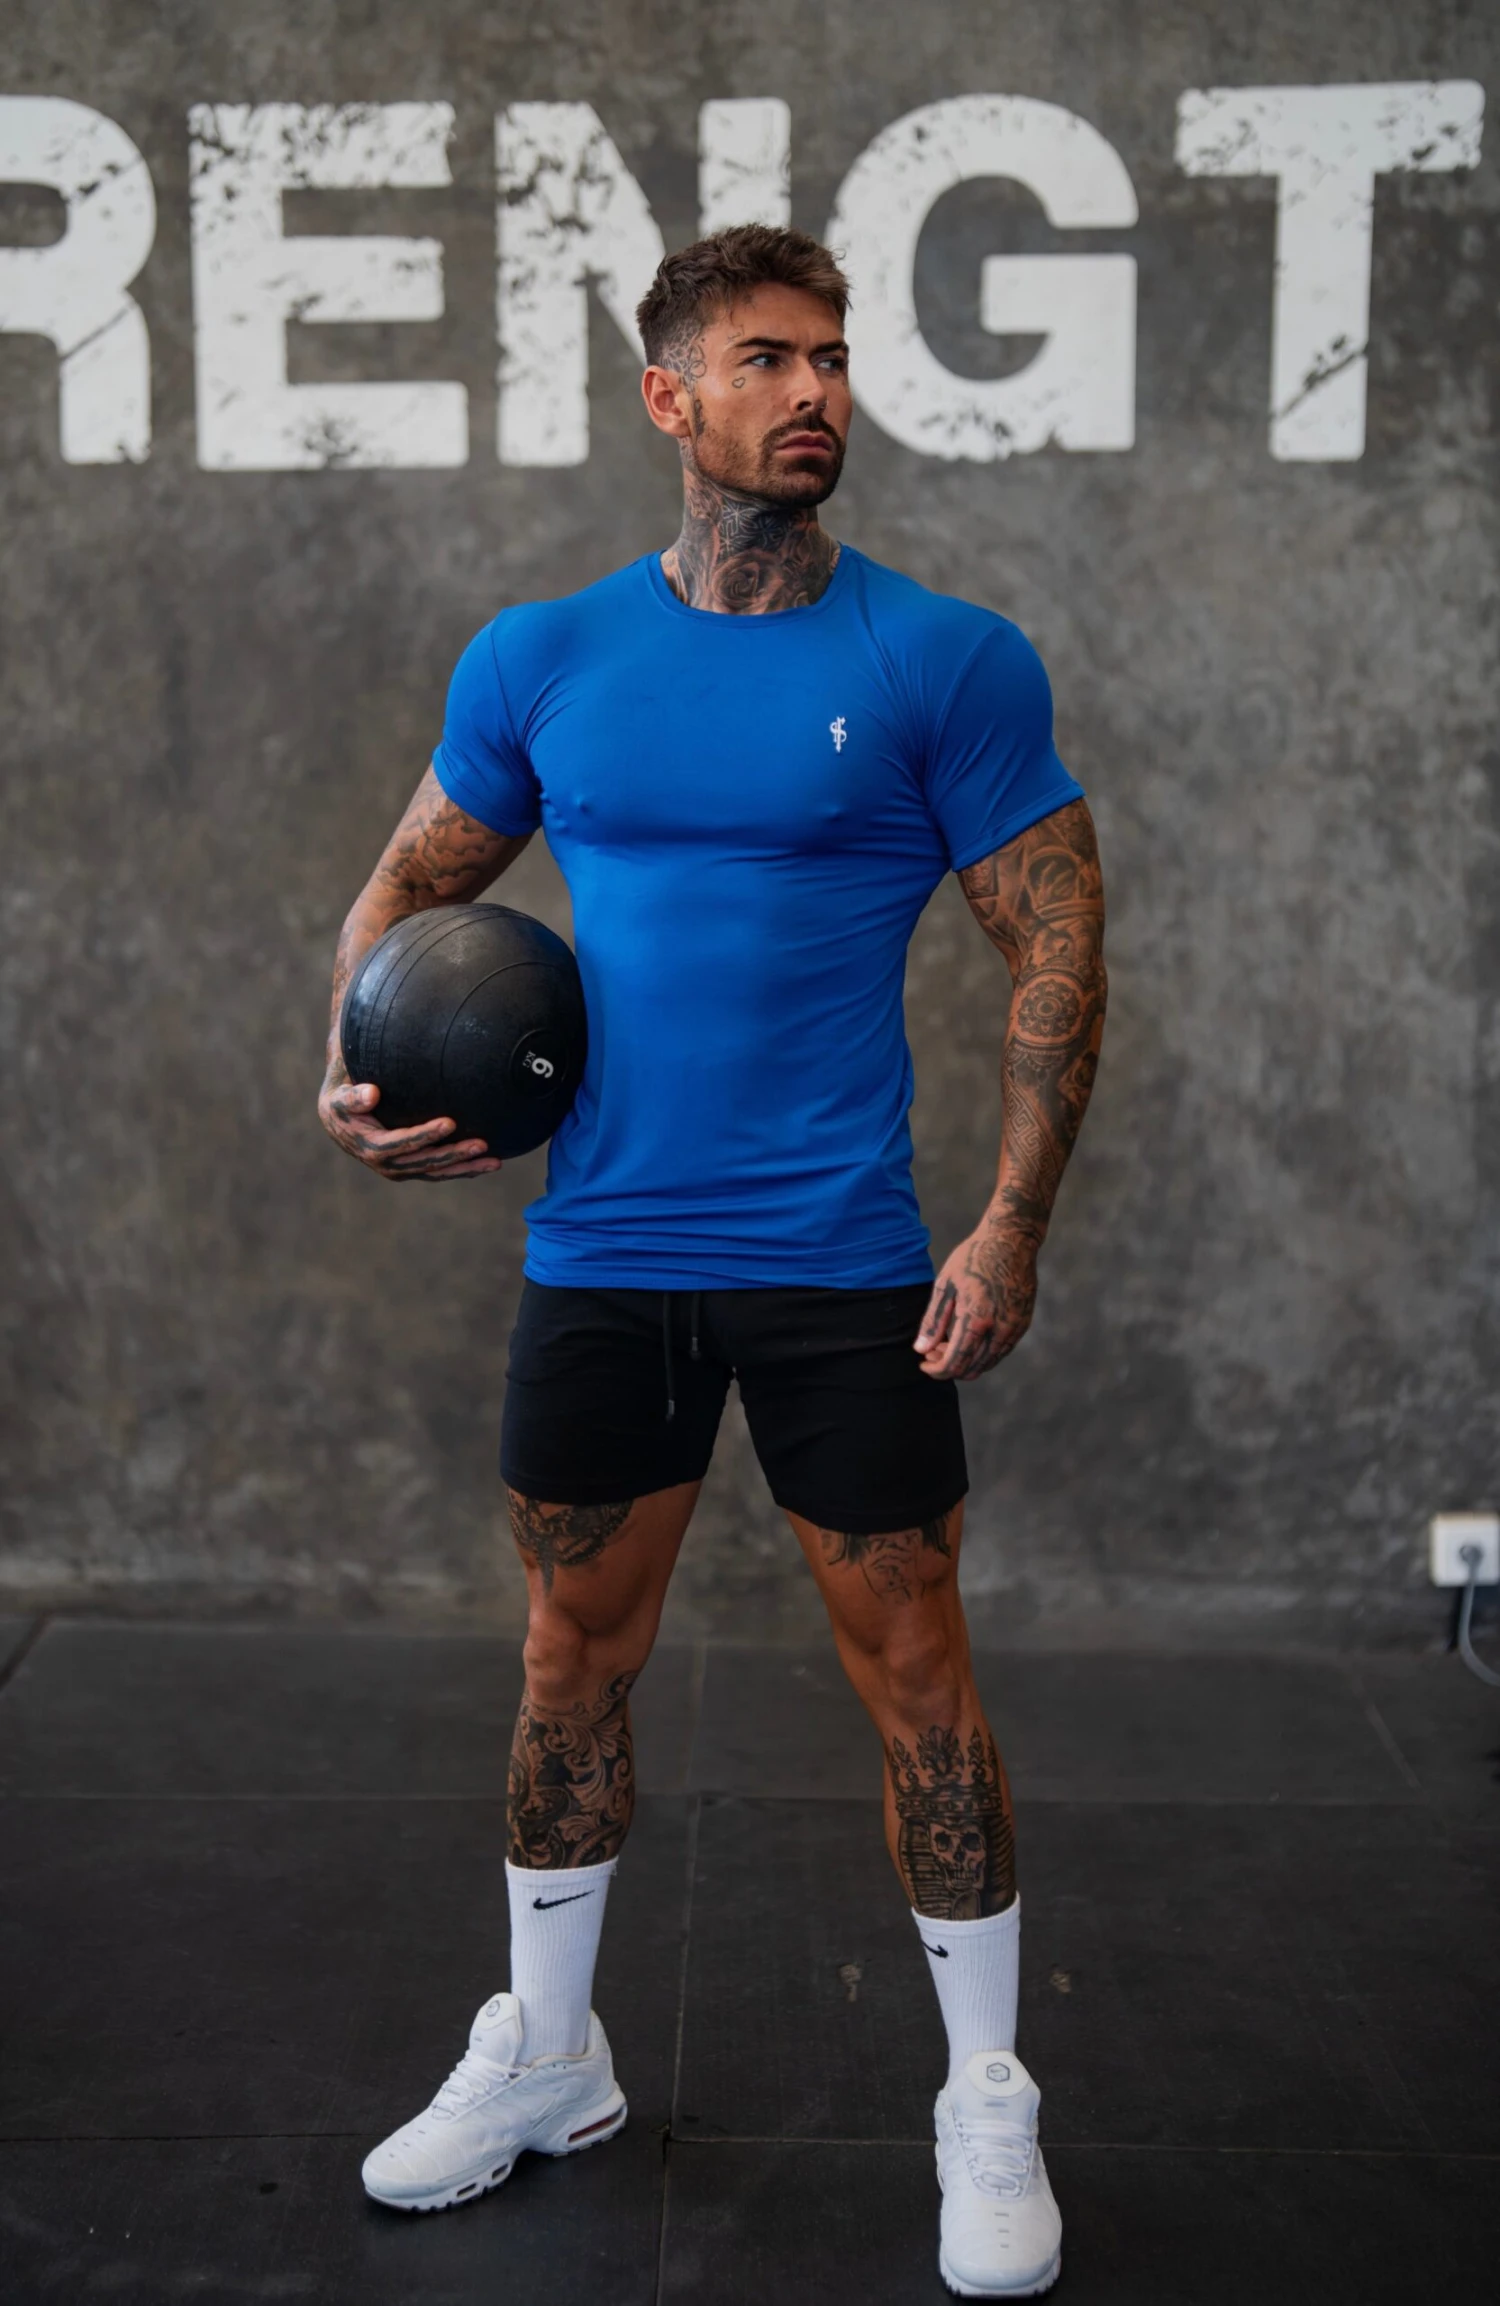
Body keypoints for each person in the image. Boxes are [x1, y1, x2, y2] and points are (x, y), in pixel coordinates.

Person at [318, 224, 1106, 2300]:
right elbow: (405, 891)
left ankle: (986, 2090)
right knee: (568, 1656)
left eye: (832, 356)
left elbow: (1059, 943)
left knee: (917, 1671)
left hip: (844, 1260)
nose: (815, 390)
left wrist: (1011, 1216)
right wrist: (356, 1066)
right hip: (605, 1251)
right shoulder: (543, 656)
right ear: (671, 397)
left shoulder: (943, 660)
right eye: (767, 358)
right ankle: (549, 2050)